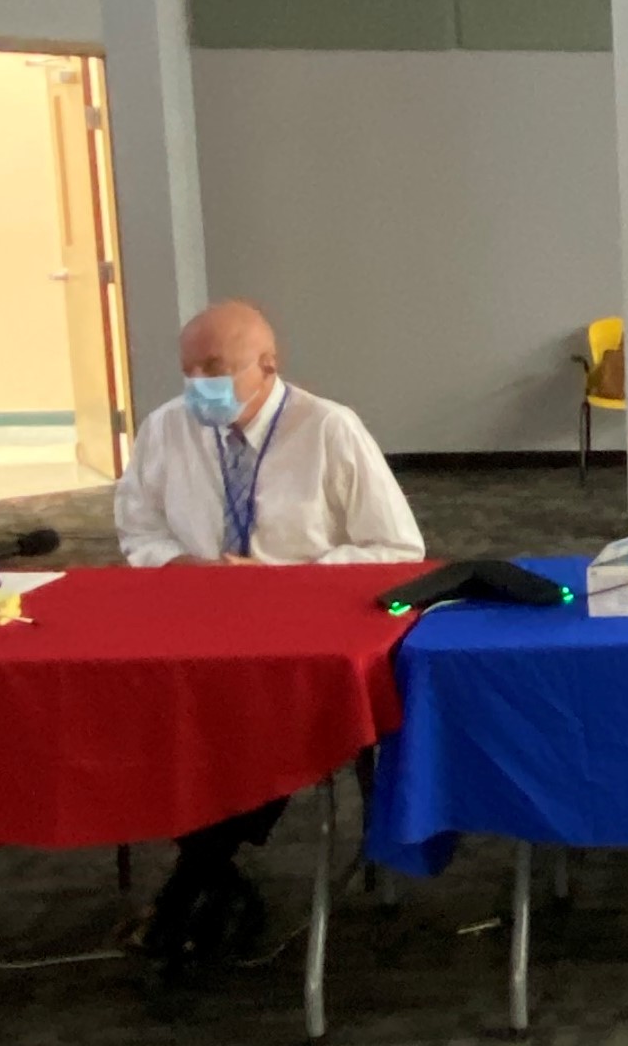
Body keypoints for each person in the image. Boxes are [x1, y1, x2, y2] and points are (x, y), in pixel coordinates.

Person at [115, 300, 424, 979]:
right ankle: (207, 874)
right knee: (154, 717)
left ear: (268, 366)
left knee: (260, 719)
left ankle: (194, 878)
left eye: (215, 369)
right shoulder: (166, 429)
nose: (199, 383)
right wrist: (181, 566)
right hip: (192, 631)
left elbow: (398, 551)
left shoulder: (329, 429)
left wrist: (282, 578)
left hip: (303, 637)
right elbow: (137, 530)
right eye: (189, 369)